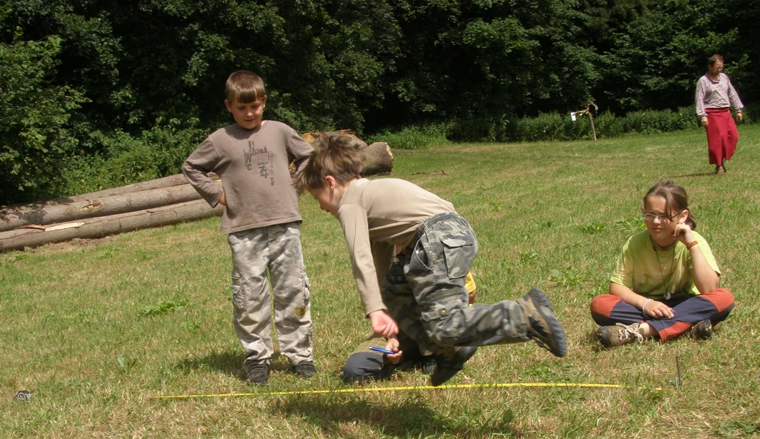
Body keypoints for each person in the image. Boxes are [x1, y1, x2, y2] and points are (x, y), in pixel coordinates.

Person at [295, 134, 567, 387]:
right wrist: (384, 306)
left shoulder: (350, 202)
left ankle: (524, 316)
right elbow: (380, 263)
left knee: (445, 323)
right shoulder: (371, 193)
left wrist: (374, 310)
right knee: (394, 289)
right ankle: (449, 351)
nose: (321, 206)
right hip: (444, 235)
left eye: (318, 198)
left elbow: (360, 256)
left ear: (330, 183)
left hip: (436, 238)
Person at [182, 70, 316, 385]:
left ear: (264, 101)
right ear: (229, 106)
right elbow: (191, 166)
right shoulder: (219, 140)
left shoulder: (281, 131)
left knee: (293, 290)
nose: (249, 113)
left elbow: (308, 156)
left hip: (285, 225)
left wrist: (295, 184)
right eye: (241, 108)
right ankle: (257, 357)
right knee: (249, 295)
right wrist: (217, 194)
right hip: (243, 229)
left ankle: (300, 355)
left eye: (255, 106)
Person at [590, 180, 734, 348]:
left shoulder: (695, 241)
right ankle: (686, 326)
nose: (656, 221)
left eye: (664, 216)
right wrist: (646, 304)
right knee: (600, 304)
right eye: (650, 214)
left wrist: (691, 245)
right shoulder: (635, 243)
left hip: (685, 303)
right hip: (644, 306)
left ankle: (641, 330)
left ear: (683, 216)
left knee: (725, 297)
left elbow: (709, 289)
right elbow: (616, 287)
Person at [342, 273, 477, 383]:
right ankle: (412, 356)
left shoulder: (441, 250)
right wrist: (391, 337)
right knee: (354, 372)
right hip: (399, 328)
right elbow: (376, 309)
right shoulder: (373, 261)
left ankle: (434, 353)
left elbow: (470, 295)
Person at [695, 54, 744, 175]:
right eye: (717, 67)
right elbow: (699, 99)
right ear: (710, 66)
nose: (719, 69)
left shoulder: (724, 78)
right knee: (717, 142)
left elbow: (732, 93)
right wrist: (702, 116)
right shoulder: (703, 81)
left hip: (725, 113)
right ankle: (719, 165)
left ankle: (723, 159)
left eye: (721, 67)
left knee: (733, 136)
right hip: (712, 114)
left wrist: (738, 109)